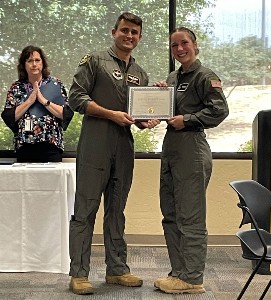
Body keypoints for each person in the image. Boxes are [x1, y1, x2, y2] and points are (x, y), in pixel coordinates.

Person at [68, 12, 159, 295]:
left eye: (134, 32)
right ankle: (79, 274)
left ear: (140, 38)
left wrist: (149, 119)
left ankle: (117, 269)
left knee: (116, 211)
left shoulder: (140, 73)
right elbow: (76, 98)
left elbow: (138, 115)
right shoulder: (94, 61)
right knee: (85, 210)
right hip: (95, 144)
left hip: (123, 147)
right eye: (124, 30)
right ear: (114, 31)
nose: (129, 36)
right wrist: (111, 114)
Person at [153, 27, 229, 294]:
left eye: (184, 43)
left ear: (195, 45)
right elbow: (171, 110)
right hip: (171, 147)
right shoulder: (174, 77)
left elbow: (219, 110)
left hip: (192, 148)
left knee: (191, 217)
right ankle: (179, 273)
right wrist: (161, 97)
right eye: (174, 46)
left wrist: (186, 120)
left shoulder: (205, 76)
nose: (179, 49)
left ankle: (193, 277)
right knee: (170, 214)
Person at [1, 45, 73, 163]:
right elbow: (9, 116)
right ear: (23, 65)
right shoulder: (16, 87)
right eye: (29, 61)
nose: (34, 64)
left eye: (37, 60)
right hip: (24, 146)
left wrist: (43, 100)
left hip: (51, 147)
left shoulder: (55, 84)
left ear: (43, 63)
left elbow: (66, 114)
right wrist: (30, 101)